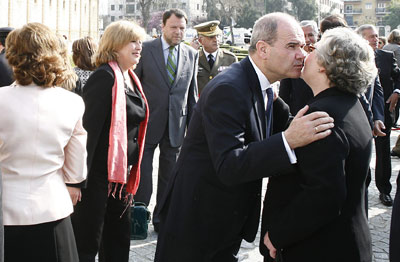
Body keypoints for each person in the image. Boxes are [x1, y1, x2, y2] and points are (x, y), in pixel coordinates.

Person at [154, 12, 334, 261]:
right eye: (292, 46)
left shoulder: (264, 86)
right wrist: (288, 141)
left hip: (224, 221)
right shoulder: (229, 89)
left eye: (302, 47)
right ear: (263, 49)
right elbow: (229, 164)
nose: (301, 55)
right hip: (197, 226)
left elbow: (292, 125)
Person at [261, 26, 376, 262]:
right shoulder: (347, 105)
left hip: (320, 248)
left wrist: (278, 235)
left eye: (312, 49)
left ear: (325, 65)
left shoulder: (323, 116)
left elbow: (324, 195)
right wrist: (277, 104)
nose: (305, 54)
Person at [0, 22, 87, 262]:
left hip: (5, 211)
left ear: (13, 56)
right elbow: (76, 163)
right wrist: (72, 183)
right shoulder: (72, 102)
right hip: (53, 208)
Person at [70, 20, 149, 262]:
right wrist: (77, 181)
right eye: (132, 41)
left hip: (120, 179)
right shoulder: (104, 77)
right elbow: (87, 132)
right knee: (88, 242)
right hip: (96, 179)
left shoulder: (130, 78)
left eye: (140, 42)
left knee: (118, 240)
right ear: (115, 46)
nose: (138, 47)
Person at [134, 8, 198, 232]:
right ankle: (139, 217)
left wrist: (194, 129)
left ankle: (162, 219)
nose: (179, 32)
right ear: (162, 26)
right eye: (174, 27)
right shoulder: (146, 49)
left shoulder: (191, 54)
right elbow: (134, 88)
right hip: (147, 124)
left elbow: (192, 96)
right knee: (143, 174)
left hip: (176, 126)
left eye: (182, 28)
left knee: (170, 176)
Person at [357, 24, 400, 206]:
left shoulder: (386, 56)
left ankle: (384, 190)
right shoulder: (354, 58)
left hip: (383, 111)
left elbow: (398, 76)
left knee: (382, 152)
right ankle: (361, 189)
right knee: (361, 152)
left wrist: (397, 91)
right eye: (371, 37)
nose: (375, 39)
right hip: (360, 116)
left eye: (376, 36)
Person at [279, 19, 318, 115]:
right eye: (304, 36)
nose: (308, 39)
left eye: (311, 35)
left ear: (317, 36)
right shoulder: (292, 61)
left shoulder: (325, 62)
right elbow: (284, 94)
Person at [194, 20, 237, 95]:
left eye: (218, 36)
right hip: (201, 104)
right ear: (201, 41)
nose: (216, 39)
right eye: (211, 37)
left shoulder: (230, 58)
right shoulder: (195, 58)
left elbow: (237, 84)